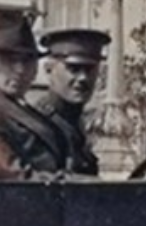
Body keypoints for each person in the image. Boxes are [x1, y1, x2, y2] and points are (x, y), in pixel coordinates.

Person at [0, 18, 66, 180]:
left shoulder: (16, 106)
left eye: (27, 61)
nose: (20, 70)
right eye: (9, 60)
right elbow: (13, 172)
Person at [30, 27, 109, 176]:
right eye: (74, 69)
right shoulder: (40, 125)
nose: (83, 78)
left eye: (89, 69)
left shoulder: (75, 121)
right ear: (49, 69)